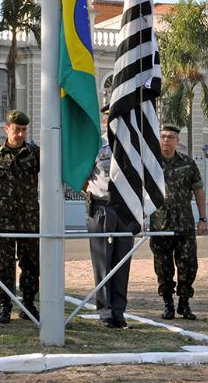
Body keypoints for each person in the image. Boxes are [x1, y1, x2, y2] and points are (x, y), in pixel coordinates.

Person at [0, 109, 40, 323]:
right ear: (6, 128)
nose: (20, 134)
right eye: (16, 129)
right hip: (3, 219)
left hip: (29, 219)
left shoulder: (35, 153)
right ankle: (5, 305)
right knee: (3, 265)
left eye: (23, 130)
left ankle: (28, 304)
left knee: (31, 263)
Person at [149, 123, 208, 321]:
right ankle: (168, 304)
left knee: (188, 264)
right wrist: (140, 217)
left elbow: (198, 190)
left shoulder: (188, 164)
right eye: (163, 136)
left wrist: (203, 218)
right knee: (163, 267)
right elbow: (140, 191)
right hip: (160, 225)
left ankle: (184, 303)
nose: (166, 140)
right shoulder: (151, 163)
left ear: (177, 141)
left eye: (170, 137)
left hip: (184, 226)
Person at [84, 105, 134, 329]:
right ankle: (105, 313)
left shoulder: (134, 146)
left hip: (126, 209)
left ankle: (119, 311)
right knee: (103, 262)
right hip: (102, 208)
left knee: (122, 262)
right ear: (105, 121)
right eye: (111, 118)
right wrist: (95, 194)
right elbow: (84, 177)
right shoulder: (96, 144)